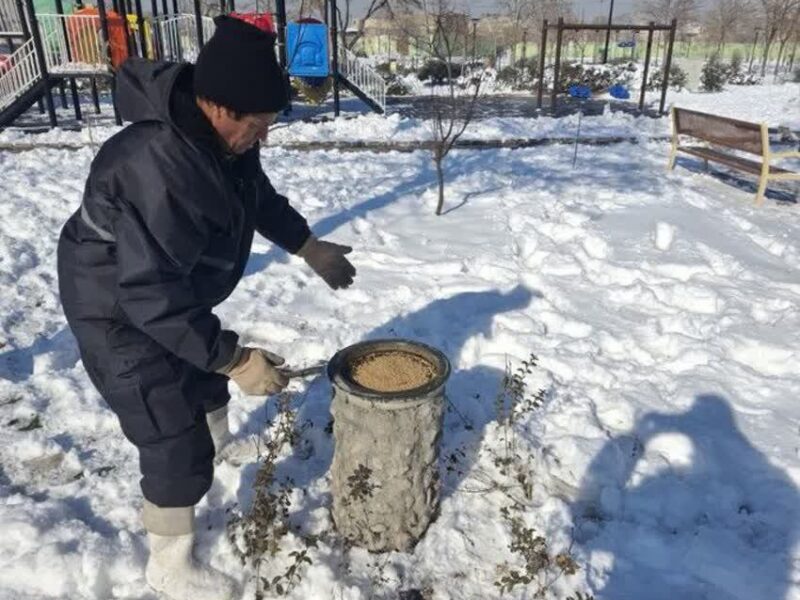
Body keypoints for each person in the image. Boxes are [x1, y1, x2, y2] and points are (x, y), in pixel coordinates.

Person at [56, 15, 355, 600]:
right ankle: (169, 567)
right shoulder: (159, 168)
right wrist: (238, 361)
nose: (265, 135)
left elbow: (257, 197)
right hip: (114, 302)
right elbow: (151, 298)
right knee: (170, 431)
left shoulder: (221, 141)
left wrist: (306, 244)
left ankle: (219, 446)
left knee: (201, 367)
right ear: (220, 106)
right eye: (261, 123)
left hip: (166, 285)